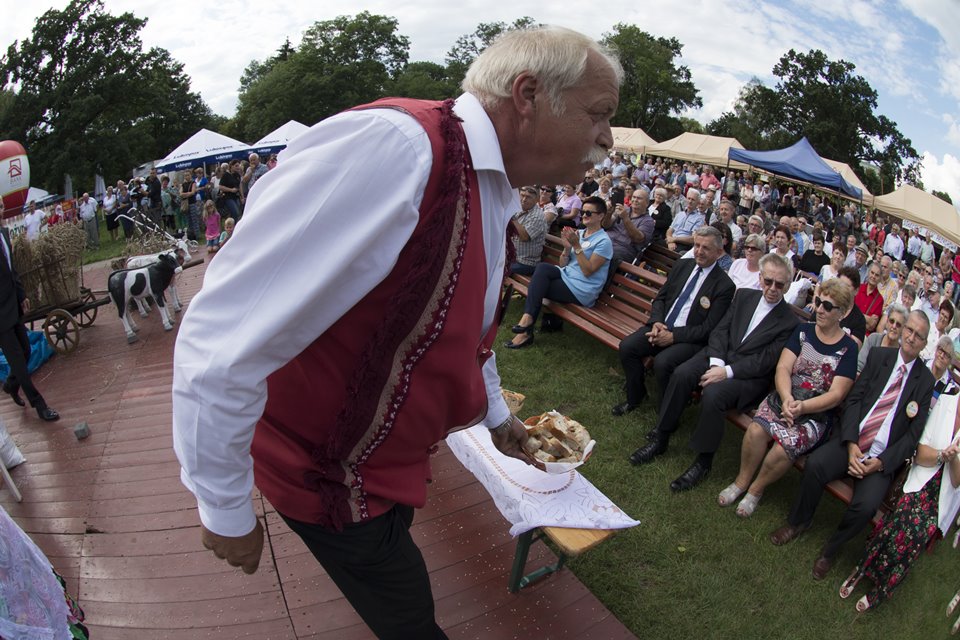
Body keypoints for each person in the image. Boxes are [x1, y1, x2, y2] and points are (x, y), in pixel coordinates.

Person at [171, 26, 622, 640]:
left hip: (381, 464)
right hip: (325, 473)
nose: (607, 137)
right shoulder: (395, 149)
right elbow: (221, 341)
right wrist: (223, 507)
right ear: (527, 95)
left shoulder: (489, 184)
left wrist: (498, 417)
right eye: (599, 114)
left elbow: (464, 334)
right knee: (410, 619)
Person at [770, 310, 936, 580]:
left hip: (879, 459)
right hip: (853, 441)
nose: (911, 337)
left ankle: (830, 550)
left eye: (918, 336)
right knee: (816, 465)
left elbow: (912, 435)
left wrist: (880, 463)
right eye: (909, 330)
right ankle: (798, 522)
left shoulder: (925, 381)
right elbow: (854, 399)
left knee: (866, 507)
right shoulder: (880, 356)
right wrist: (850, 444)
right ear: (903, 329)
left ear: (925, 343)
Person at [629, 253, 798, 492]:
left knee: (713, 394)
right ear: (760, 278)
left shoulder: (789, 321)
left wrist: (725, 372)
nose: (772, 288)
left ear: (788, 286)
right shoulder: (744, 296)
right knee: (682, 374)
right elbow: (720, 330)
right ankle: (661, 437)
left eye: (779, 284)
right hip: (718, 356)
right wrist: (717, 362)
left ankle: (703, 461)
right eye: (768, 281)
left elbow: (765, 361)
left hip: (748, 376)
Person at [720, 278, 857, 517]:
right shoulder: (803, 331)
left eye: (827, 306)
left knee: (784, 448)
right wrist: (786, 398)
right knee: (756, 430)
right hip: (784, 398)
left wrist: (802, 407)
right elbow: (783, 367)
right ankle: (741, 482)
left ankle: (755, 490)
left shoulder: (848, 348)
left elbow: (836, 395)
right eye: (818, 302)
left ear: (842, 313)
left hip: (815, 414)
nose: (819, 309)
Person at [838, 380, 960, 612]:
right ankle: (862, 568)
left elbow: (957, 481)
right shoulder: (945, 402)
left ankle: (880, 589)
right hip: (920, 480)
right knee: (900, 520)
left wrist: (954, 459)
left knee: (917, 537)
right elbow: (921, 453)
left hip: (942, 498)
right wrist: (943, 455)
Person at [614, 226, 735, 415]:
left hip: (688, 339)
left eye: (706, 248)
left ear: (719, 252)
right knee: (627, 347)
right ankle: (635, 396)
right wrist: (656, 321)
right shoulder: (683, 265)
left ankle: (665, 412)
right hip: (661, 327)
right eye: (696, 245)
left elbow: (708, 328)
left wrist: (673, 337)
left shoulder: (724, 285)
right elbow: (661, 298)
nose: (699, 251)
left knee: (663, 363)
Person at [508, 196, 612, 348]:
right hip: (567, 277)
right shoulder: (580, 233)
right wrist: (567, 249)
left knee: (539, 287)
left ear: (601, 216)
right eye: (582, 212)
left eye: (588, 213)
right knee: (542, 268)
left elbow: (588, 271)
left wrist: (576, 246)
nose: (584, 215)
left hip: (582, 289)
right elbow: (563, 264)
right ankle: (527, 321)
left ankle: (525, 330)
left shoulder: (604, 241)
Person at [0, 202, 60, 421]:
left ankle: (11, 384)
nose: (1, 210)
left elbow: (11, 270)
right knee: (17, 360)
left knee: (26, 350)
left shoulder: (4, 234)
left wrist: (21, 294)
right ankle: (39, 405)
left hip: (12, 304)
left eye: (1, 206)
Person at [508, 186, 548, 276]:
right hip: (512, 257)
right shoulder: (520, 209)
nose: (524, 199)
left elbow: (524, 237)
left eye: (528, 197)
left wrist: (512, 218)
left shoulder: (537, 216)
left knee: (495, 269)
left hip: (525, 263)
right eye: (522, 195)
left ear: (537, 199)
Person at [857, 304, 907, 374]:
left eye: (898, 324)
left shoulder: (901, 355)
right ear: (887, 322)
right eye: (891, 321)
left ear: (903, 329)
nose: (894, 326)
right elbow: (859, 366)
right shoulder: (874, 339)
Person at [856, 262, 885, 334]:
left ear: (880, 278)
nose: (873, 276)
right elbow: (849, 311)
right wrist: (867, 318)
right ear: (868, 273)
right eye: (872, 273)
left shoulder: (880, 300)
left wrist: (856, 315)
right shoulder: (858, 288)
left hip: (864, 335)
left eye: (877, 275)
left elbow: (871, 326)